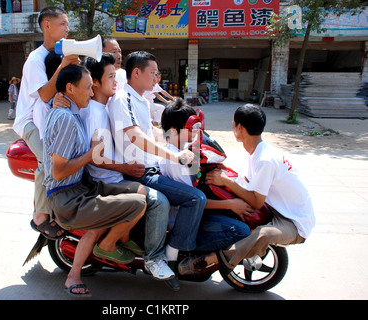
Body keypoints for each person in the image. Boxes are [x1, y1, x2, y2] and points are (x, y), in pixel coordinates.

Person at [43, 64, 147, 297]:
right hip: (66, 197)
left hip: (81, 187)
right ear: (70, 88)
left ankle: (121, 239)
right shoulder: (66, 119)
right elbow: (58, 172)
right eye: (87, 88)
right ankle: (93, 259)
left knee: (140, 191)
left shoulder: (73, 112)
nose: (91, 93)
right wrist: (91, 155)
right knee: (137, 204)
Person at [108, 51, 207, 291]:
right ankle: (160, 257)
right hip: (141, 172)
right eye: (153, 73)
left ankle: (169, 251)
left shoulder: (142, 100)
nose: (156, 78)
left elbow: (155, 129)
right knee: (195, 197)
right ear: (136, 73)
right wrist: (174, 155)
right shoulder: (124, 99)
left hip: (152, 167)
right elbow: (136, 136)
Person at [181, 104, 315, 274]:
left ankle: (207, 260)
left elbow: (257, 202)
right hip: (279, 210)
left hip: (294, 222)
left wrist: (227, 182)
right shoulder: (258, 152)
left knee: (263, 234)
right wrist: (226, 175)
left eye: (233, 124)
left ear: (240, 127)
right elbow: (249, 183)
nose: (232, 128)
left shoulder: (265, 159)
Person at [79, 53, 174, 281]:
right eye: (111, 77)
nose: (116, 81)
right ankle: (113, 244)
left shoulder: (107, 105)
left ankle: (124, 236)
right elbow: (95, 158)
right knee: (156, 201)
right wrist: (124, 168)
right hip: (106, 181)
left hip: (116, 176)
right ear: (95, 82)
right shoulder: (95, 113)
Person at [157, 99, 252, 274]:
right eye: (191, 129)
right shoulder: (176, 160)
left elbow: (198, 178)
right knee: (241, 230)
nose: (195, 133)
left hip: (194, 213)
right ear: (174, 131)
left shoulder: (186, 152)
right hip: (183, 222)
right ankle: (188, 255)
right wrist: (230, 204)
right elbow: (194, 201)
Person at [13, 7, 79, 240]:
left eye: (67, 24)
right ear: (47, 26)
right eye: (62, 24)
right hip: (30, 121)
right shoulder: (35, 58)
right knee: (47, 161)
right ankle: (39, 215)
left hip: (47, 121)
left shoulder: (59, 55)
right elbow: (43, 94)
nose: (67, 29)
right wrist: (64, 65)